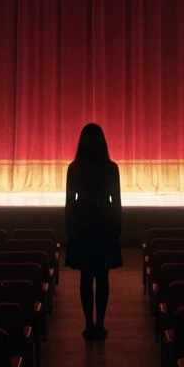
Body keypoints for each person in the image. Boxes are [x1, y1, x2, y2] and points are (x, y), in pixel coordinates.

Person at [64, 123, 123, 339]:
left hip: (82, 223)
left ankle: (89, 323)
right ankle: (100, 323)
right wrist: (118, 228)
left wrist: (68, 228)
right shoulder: (111, 168)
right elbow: (116, 201)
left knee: (86, 276)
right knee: (103, 276)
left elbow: (70, 202)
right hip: (104, 223)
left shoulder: (75, 168)